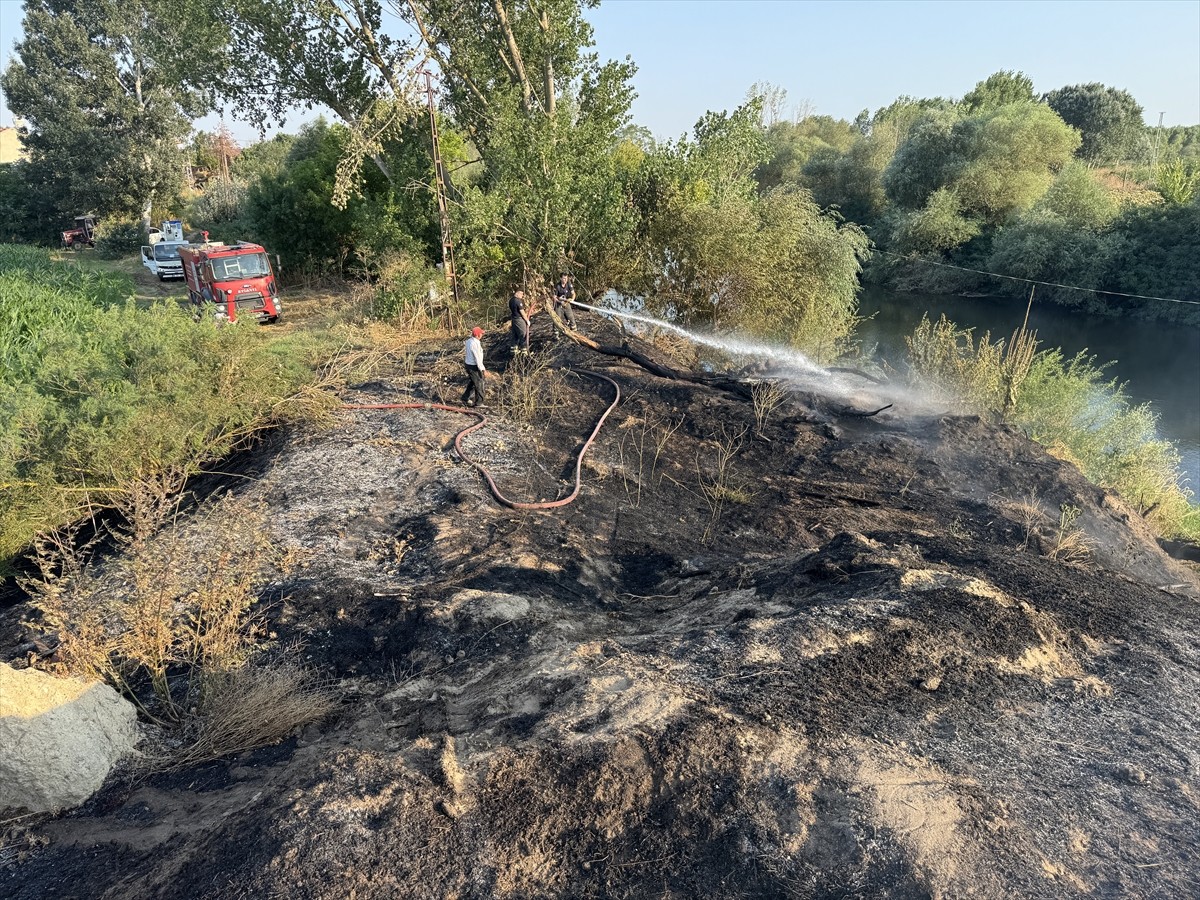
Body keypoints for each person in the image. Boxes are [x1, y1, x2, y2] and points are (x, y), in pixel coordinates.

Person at [462, 326, 489, 407]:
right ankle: (479, 403)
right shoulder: (474, 344)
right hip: (473, 366)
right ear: (477, 335)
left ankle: (465, 397)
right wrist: (483, 370)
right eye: (481, 333)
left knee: (473, 383)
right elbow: (477, 358)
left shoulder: (469, 341)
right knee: (479, 383)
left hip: (469, 365)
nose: (482, 335)